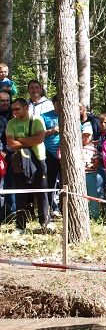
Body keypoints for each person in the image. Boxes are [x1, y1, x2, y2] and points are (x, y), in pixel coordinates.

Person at [5, 97, 51, 234]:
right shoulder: (11, 123)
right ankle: (20, 226)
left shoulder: (37, 120)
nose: (15, 112)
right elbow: (11, 144)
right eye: (13, 109)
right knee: (21, 193)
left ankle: (45, 223)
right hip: (20, 161)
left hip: (38, 159)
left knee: (41, 192)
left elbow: (40, 139)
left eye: (17, 109)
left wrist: (20, 139)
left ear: (26, 108)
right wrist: (31, 141)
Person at [41, 95, 61, 217]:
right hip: (49, 152)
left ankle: (65, 208)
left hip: (65, 154)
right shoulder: (45, 116)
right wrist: (52, 130)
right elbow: (40, 134)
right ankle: (52, 208)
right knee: (50, 182)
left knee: (66, 182)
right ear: (54, 103)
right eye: (58, 102)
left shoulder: (70, 115)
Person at [81, 119, 101, 219]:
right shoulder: (78, 147)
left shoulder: (94, 149)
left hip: (91, 174)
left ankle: (95, 215)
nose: (86, 137)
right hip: (80, 175)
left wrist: (91, 165)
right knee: (81, 195)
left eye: (88, 135)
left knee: (92, 195)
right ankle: (84, 215)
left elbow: (97, 163)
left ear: (91, 135)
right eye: (84, 135)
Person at [0, 91, 14, 219]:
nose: (4, 103)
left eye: (7, 100)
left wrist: (7, 150)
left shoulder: (14, 115)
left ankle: (11, 211)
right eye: (2, 101)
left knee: (10, 183)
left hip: (11, 154)